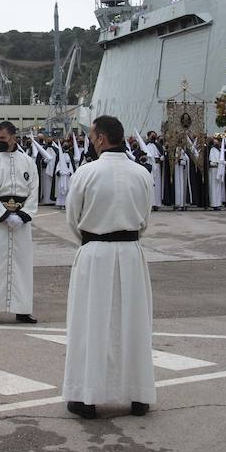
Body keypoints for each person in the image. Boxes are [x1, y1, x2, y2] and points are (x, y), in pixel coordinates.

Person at [62, 114, 156, 419]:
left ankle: (86, 397)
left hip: (95, 254)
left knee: (90, 324)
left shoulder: (86, 173)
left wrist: (91, 240)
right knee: (134, 323)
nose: (91, 142)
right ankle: (139, 395)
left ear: (101, 138)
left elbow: (72, 219)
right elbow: (145, 218)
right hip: (131, 254)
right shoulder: (141, 173)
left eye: (91, 137)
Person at [0, 121, 39, 326]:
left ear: (13, 137)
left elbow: (34, 190)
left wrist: (23, 215)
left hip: (21, 223)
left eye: (3, 138)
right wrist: (3, 215)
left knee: (22, 266)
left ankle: (22, 310)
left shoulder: (28, 162)